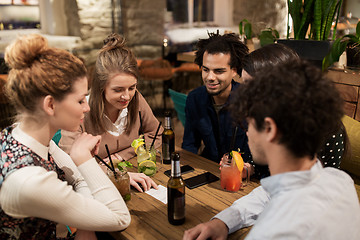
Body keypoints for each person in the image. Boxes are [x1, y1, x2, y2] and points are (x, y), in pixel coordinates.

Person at [183, 60, 360, 240]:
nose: (247, 132)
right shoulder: (340, 181)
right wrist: (223, 222)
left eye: (248, 124)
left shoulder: (275, 232)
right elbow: (269, 194)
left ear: (269, 129)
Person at [0, 34, 131, 239]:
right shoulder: (28, 180)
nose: (87, 108)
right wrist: (83, 158)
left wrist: (85, 220)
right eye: (80, 101)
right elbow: (120, 219)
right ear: (50, 105)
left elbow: (79, 180)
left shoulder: (22, 135)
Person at [60, 33, 161, 192]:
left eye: (132, 88)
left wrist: (122, 155)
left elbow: (156, 133)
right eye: (118, 90)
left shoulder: (136, 99)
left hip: (133, 176)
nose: (127, 96)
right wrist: (115, 173)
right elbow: (68, 165)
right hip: (94, 188)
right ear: (101, 87)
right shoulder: (80, 110)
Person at [241, 43, 348, 179]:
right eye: (244, 85)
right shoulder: (261, 114)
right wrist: (249, 168)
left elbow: (328, 183)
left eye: (253, 86)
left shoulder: (327, 128)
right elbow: (260, 161)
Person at [182, 31, 251, 164]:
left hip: (242, 175)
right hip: (208, 169)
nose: (210, 77)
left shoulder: (248, 101)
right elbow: (190, 145)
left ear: (234, 70)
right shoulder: (194, 98)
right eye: (206, 69)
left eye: (219, 71)